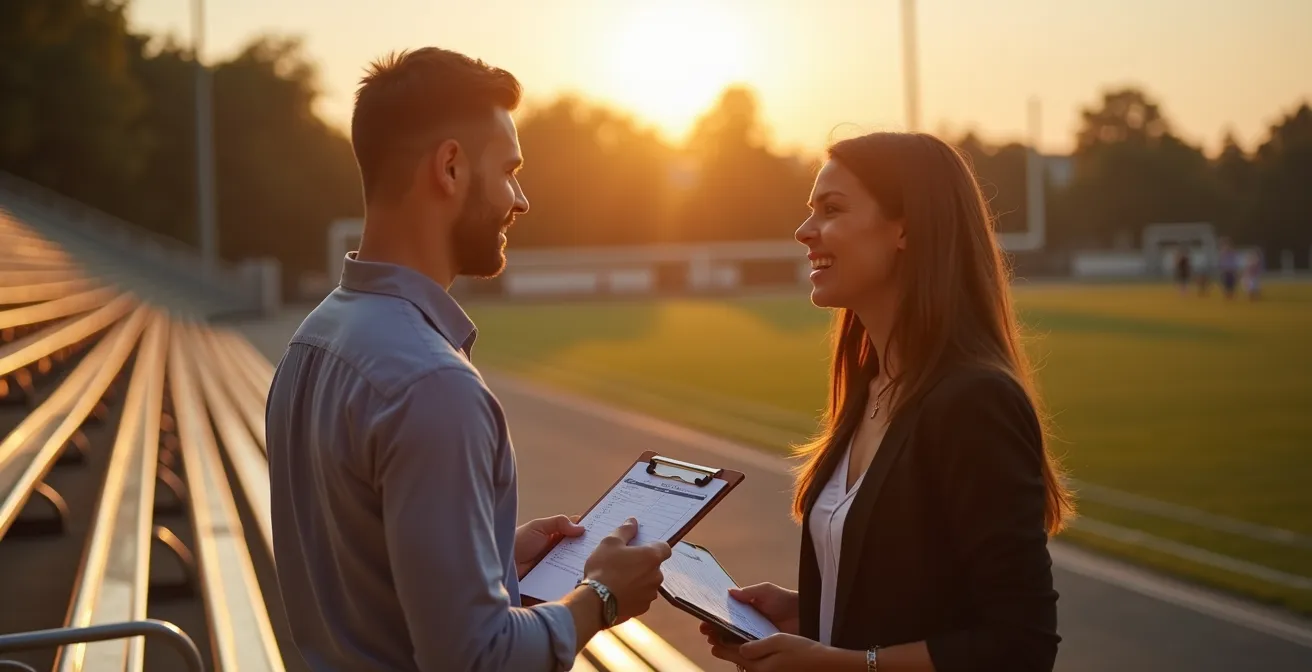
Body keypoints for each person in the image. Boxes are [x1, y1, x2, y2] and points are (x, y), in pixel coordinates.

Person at [264, 47, 671, 672]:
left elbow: (363, 577)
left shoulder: (313, 339)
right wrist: (601, 596)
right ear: (450, 167)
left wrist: (495, 562)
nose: (521, 199)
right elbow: (476, 661)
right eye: (509, 170)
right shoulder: (433, 384)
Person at [702, 132, 1073, 671]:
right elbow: (918, 599)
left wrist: (838, 664)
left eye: (831, 210)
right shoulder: (869, 388)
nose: (804, 232)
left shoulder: (974, 401)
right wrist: (810, 615)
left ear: (906, 229)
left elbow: (1020, 645)